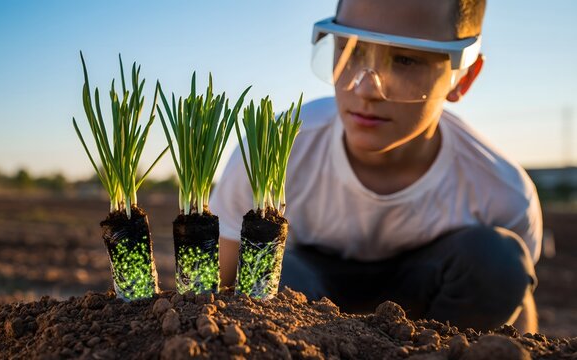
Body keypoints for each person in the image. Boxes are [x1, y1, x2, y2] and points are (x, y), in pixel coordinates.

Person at [210, 0, 541, 333]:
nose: (366, 88)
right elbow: (223, 284)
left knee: (497, 262)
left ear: (463, 77)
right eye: (351, 51)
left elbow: (515, 307)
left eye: (404, 59)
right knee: (268, 273)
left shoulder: (502, 191)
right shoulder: (275, 148)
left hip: (429, 306)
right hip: (305, 305)